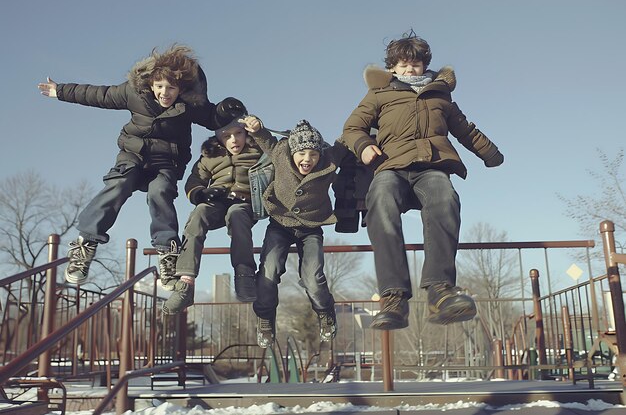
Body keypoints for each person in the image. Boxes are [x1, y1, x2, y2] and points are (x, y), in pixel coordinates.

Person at [37, 45, 246, 286]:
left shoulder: (189, 106)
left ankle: (167, 250)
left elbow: (212, 119)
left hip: (166, 161)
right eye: (159, 87)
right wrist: (60, 91)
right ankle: (86, 244)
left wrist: (226, 110)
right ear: (151, 85)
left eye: (171, 88)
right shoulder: (133, 93)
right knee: (119, 184)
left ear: (181, 89)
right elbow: (98, 95)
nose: (165, 93)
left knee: (161, 192)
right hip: (133, 155)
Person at [340, 31, 504, 329]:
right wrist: (364, 147)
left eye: (414, 64)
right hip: (391, 166)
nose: (408, 70)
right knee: (381, 199)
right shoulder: (379, 93)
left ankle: (440, 291)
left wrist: (490, 153)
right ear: (392, 67)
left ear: (424, 65)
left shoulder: (440, 94)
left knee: (445, 197)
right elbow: (352, 128)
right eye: (401, 65)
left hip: (432, 166)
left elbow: (464, 129)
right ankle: (394, 297)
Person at [241, 116, 346, 348]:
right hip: (280, 223)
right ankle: (265, 318)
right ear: (292, 153)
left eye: (313, 154)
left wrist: (364, 126)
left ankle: (325, 312)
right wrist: (257, 128)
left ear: (320, 154)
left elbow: (346, 140)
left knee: (313, 277)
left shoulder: (329, 160)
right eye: (302, 154)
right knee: (268, 271)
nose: (307, 159)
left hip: (311, 227)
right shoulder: (281, 152)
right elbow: (265, 139)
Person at [161, 116, 263, 314]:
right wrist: (201, 193)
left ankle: (244, 274)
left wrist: (260, 130)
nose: (234, 140)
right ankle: (186, 284)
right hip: (217, 201)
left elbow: (278, 152)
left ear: (246, 133)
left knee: (237, 215)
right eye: (227, 136)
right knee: (199, 213)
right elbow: (194, 181)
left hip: (244, 203)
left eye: (239, 133)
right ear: (218, 138)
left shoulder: (257, 150)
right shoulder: (210, 156)